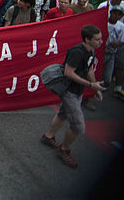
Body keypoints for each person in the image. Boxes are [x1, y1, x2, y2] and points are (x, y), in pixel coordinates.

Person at [41, 24, 105, 169]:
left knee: (63, 113)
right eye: (97, 39)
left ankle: (48, 136)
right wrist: (90, 86)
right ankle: (64, 149)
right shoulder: (77, 52)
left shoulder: (91, 52)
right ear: (87, 39)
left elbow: (88, 70)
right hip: (69, 91)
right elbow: (68, 73)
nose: (100, 42)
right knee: (78, 126)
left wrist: (95, 88)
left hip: (78, 91)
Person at [102, 5, 124, 101]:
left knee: (107, 79)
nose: (116, 16)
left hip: (111, 53)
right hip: (101, 52)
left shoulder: (121, 26)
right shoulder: (104, 22)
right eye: (114, 13)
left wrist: (116, 44)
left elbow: (122, 40)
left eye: (118, 14)